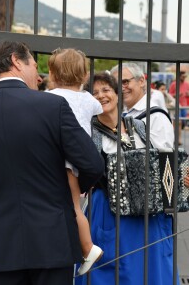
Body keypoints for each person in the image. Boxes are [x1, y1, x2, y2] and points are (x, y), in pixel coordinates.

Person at [0, 40, 104, 285]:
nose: (38, 74)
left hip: (2, 239)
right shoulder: (53, 105)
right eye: (35, 65)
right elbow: (92, 163)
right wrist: (73, 190)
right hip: (52, 235)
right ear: (16, 61)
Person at [76, 71, 179, 285]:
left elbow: (162, 163)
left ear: (116, 93)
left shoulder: (140, 126)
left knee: (151, 271)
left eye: (106, 90)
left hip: (147, 216)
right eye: (94, 93)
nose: (101, 96)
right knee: (114, 273)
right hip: (109, 213)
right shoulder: (87, 132)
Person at [47, 48, 103, 276]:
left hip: (58, 158)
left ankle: (88, 248)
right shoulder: (89, 99)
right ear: (85, 75)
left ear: (52, 73)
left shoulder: (50, 98)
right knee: (74, 206)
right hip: (78, 159)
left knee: (72, 208)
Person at [111, 62, 174, 148]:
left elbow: (165, 155)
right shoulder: (121, 113)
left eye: (125, 82)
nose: (121, 88)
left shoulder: (157, 116)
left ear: (141, 81)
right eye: (116, 85)